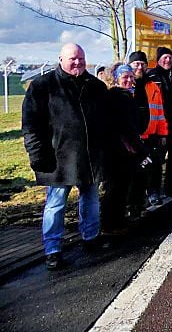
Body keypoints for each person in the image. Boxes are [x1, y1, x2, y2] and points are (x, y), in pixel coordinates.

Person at [22, 43, 109, 270]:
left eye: (81, 58)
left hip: (90, 158)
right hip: (58, 159)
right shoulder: (43, 87)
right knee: (56, 203)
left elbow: (107, 123)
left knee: (90, 199)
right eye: (73, 59)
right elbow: (31, 125)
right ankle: (53, 249)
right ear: (61, 59)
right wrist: (36, 154)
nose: (78, 62)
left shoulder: (96, 87)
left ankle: (91, 237)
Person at [102, 64, 148, 235]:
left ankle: (117, 221)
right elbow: (126, 127)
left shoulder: (124, 96)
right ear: (116, 78)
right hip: (119, 151)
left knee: (120, 188)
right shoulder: (119, 97)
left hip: (121, 149)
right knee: (116, 188)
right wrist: (139, 148)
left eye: (130, 77)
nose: (128, 80)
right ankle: (111, 224)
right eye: (124, 77)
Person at [146, 47, 172, 197]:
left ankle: (171, 188)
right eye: (164, 57)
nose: (168, 60)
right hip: (158, 127)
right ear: (158, 60)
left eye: (170, 57)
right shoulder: (151, 76)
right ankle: (154, 191)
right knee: (156, 161)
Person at [128, 50, 168, 208]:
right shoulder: (125, 83)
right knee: (136, 171)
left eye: (142, 64)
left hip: (151, 135)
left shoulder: (153, 86)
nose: (139, 67)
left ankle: (154, 192)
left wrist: (163, 133)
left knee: (154, 166)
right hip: (131, 139)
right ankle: (134, 203)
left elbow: (160, 112)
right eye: (136, 64)